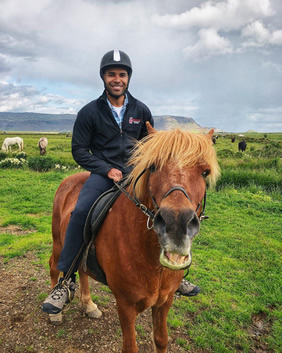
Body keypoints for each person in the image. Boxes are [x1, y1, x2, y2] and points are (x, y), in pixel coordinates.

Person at [42, 49, 200, 315]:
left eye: (122, 74)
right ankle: (66, 279)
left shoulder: (141, 110)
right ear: (103, 77)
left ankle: (176, 273)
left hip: (135, 175)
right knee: (80, 212)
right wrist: (106, 170)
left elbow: (150, 146)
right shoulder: (89, 112)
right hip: (104, 176)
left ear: (128, 78)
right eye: (111, 74)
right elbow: (79, 150)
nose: (117, 79)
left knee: (168, 211)